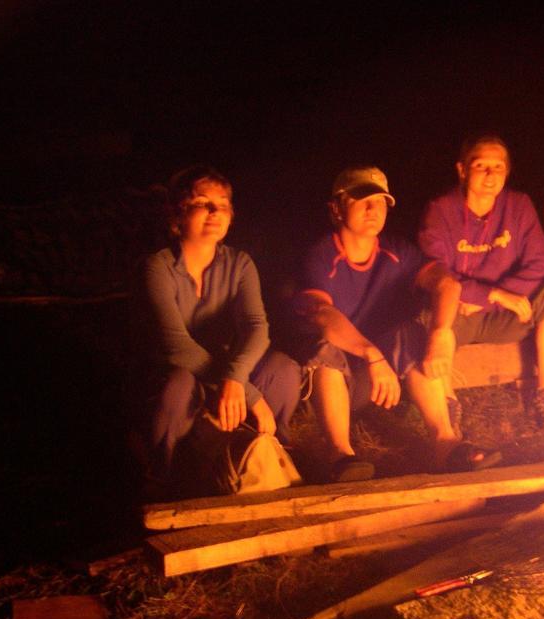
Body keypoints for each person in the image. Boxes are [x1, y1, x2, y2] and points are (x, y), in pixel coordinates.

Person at [296, 166, 499, 481]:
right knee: (324, 346)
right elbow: (323, 315)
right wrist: (371, 355)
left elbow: (446, 285)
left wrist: (442, 334)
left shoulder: (396, 251)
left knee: (412, 333)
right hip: (335, 382)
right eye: (362, 200)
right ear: (336, 208)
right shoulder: (320, 255)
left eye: (380, 202)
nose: (372, 209)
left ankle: (445, 443)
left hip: (385, 377)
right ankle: (340, 455)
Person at [135, 166, 301, 496]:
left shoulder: (239, 264)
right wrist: (246, 392)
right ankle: (162, 474)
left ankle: (267, 452)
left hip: (229, 376)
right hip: (182, 376)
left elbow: (257, 328)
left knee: (283, 369)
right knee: (177, 383)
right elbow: (174, 345)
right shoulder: (157, 267)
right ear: (178, 214)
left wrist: (235, 379)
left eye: (222, 204)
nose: (214, 212)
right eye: (201, 202)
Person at [418, 135, 544, 436]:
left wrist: (496, 299)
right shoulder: (440, 210)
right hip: (462, 315)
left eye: (498, 167)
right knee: (431, 313)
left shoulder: (518, 206)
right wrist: (494, 294)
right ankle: (446, 404)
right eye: (481, 166)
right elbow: (437, 273)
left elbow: (541, 264)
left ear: (507, 172)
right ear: (462, 170)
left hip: (507, 314)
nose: (490, 175)